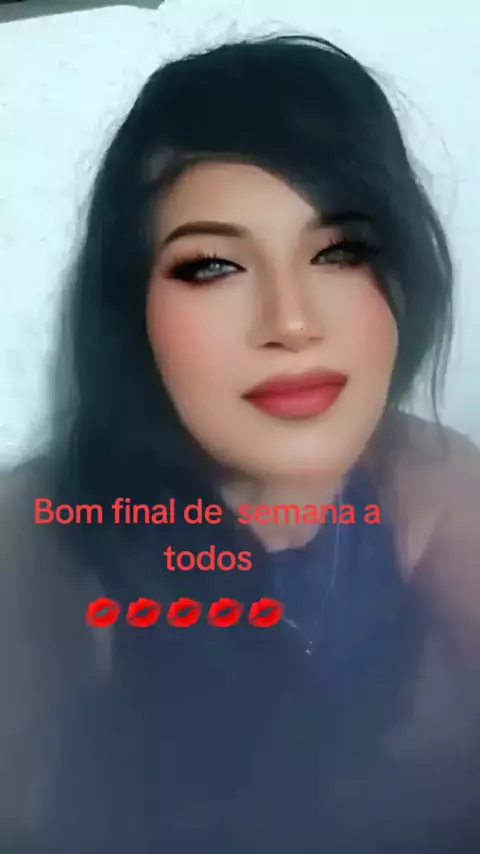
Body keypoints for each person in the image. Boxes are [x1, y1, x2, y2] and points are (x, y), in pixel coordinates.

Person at [1, 33, 479, 853]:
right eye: (213, 266)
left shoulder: (432, 480)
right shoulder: (41, 540)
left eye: (340, 251)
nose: (290, 322)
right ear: (130, 308)